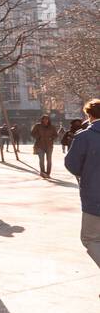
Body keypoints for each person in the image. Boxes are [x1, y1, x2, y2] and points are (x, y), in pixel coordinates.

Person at [63, 99, 100, 274]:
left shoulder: (84, 137)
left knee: (90, 238)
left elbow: (72, 164)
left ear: (89, 115)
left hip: (95, 196)